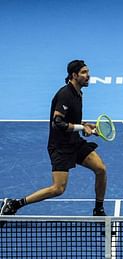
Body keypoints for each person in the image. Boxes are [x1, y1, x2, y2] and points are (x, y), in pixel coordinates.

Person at [0, 60, 107, 218]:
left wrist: (85, 125)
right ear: (74, 75)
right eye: (84, 72)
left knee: (101, 169)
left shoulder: (78, 93)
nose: (88, 75)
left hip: (74, 142)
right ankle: (14, 204)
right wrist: (80, 128)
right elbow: (57, 122)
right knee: (58, 189)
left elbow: (70, 119)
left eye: (88, 72)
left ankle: (98, 210)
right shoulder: (65, 94)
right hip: (60, 147)